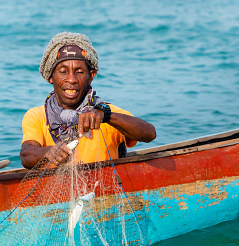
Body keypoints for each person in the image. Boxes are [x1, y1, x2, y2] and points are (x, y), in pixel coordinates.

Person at [20, 32, 156, 169]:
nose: (71, 79)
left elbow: (149, 134)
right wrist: (48, 152)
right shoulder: (37, 116)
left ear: (91, 76)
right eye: (63, 71)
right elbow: (26, 156)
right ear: (51, 77)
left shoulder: (105, 112)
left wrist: (106, 116)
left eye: (79, 71)